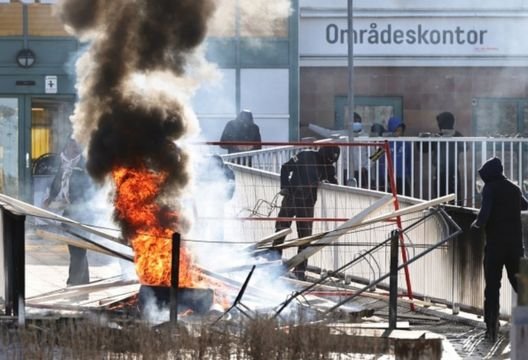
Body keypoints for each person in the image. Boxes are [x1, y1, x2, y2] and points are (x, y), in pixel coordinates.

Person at [471, 157, 528, 341]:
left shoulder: (490, 188)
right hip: (515, 247)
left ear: (489, 174)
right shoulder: (514, 188)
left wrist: (476, 224)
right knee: (522, 288)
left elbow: (485, 214)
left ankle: (492, 328)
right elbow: (525, 205)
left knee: (493, 288)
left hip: (495, 247)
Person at [272, 145, 341, 280]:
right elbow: (285, 168)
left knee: (305, 238)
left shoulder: (328, 166)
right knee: (281, 231)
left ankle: (300, 271)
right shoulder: (305, 155)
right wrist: (285, 187)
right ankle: (273, 263)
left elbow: (333, 180)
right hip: (291, 197)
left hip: (307, 202)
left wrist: (333, 182)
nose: (329, 162)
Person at [43, 139, 94, 286]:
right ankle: (82, 286)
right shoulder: (65, 163)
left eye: (77, 145)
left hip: (83, 214)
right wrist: (51, 199)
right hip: (70, 213)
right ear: (66, 146)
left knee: (79, 250)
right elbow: (58, 181)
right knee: (77, 250)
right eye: (72, 145)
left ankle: (73, 283)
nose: (75, 148)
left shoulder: (84, 164)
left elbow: (88, 189)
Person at [421, 112, 463, 202]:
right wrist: (423, 139)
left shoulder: (457, 135)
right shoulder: (438, 136)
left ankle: (455, 214)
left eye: (440, 122)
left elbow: (465, 147)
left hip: (453, 171)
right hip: (440, 171)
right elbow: (424, 149)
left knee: (454, 197)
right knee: (439, 196)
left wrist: (453, 135)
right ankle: (442, 214)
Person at [379, 117, 411, 196]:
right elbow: (375, 158)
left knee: (405, 199)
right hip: (388, 177)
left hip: (402, 177)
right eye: (397, 130)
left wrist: (409, 176)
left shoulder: (406, 144)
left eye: (401, 131)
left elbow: (409, 161)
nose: (399, 133)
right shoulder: (384, 143)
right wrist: (383, 177)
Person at [350, 112, 369, 188]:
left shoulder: (366, 137)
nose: (356, 123)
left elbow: (376, 154)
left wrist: (366, 166)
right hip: (349, 171)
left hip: (363, 171)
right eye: (354, 121)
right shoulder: (346, 136)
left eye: (357, 121)